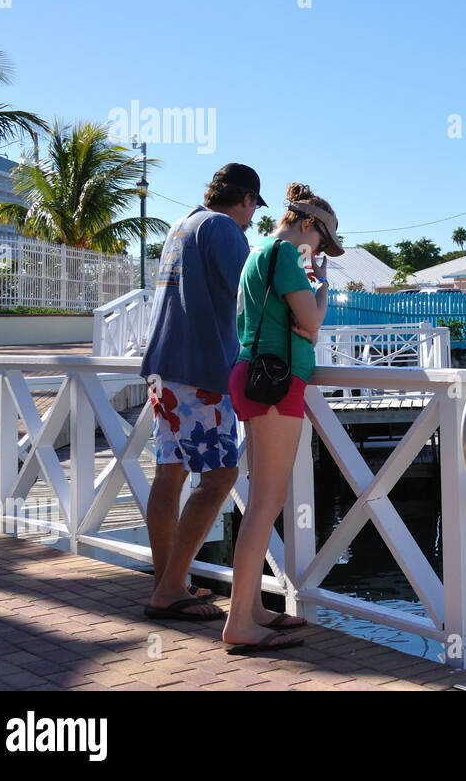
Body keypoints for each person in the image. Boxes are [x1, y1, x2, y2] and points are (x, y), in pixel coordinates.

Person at [221, 183, 344, 653]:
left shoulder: (259, 253)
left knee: (258, 503)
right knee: (266, 505)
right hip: (275, 381)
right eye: (322, 243)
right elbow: (310, 323)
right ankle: (239, 622)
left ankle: (250, 608)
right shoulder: (289, 256)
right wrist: (322, 288)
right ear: (307, 225)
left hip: (250, 373)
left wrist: (305, 311)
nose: (320, 252)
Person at [141, 163, 264, 622]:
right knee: (219, 478)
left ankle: (165, 582)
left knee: (170, 473)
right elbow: (253, 295)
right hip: (201, 371)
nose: (251, 219)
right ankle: (170, 590)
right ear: (247, 200)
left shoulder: (182, 225)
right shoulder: (225, 229)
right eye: (252, 208)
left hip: (163, 369)